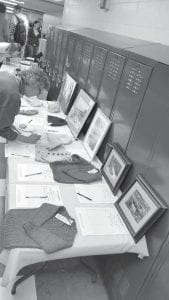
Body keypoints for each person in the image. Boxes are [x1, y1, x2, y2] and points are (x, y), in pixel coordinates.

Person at [0, 67, 50, 143]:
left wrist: (8, 123)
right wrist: (27, 139)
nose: (38, 95)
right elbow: (2, 129)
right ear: (33, 84)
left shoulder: (9, 76)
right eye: (39, 91)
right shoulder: (13, 95)